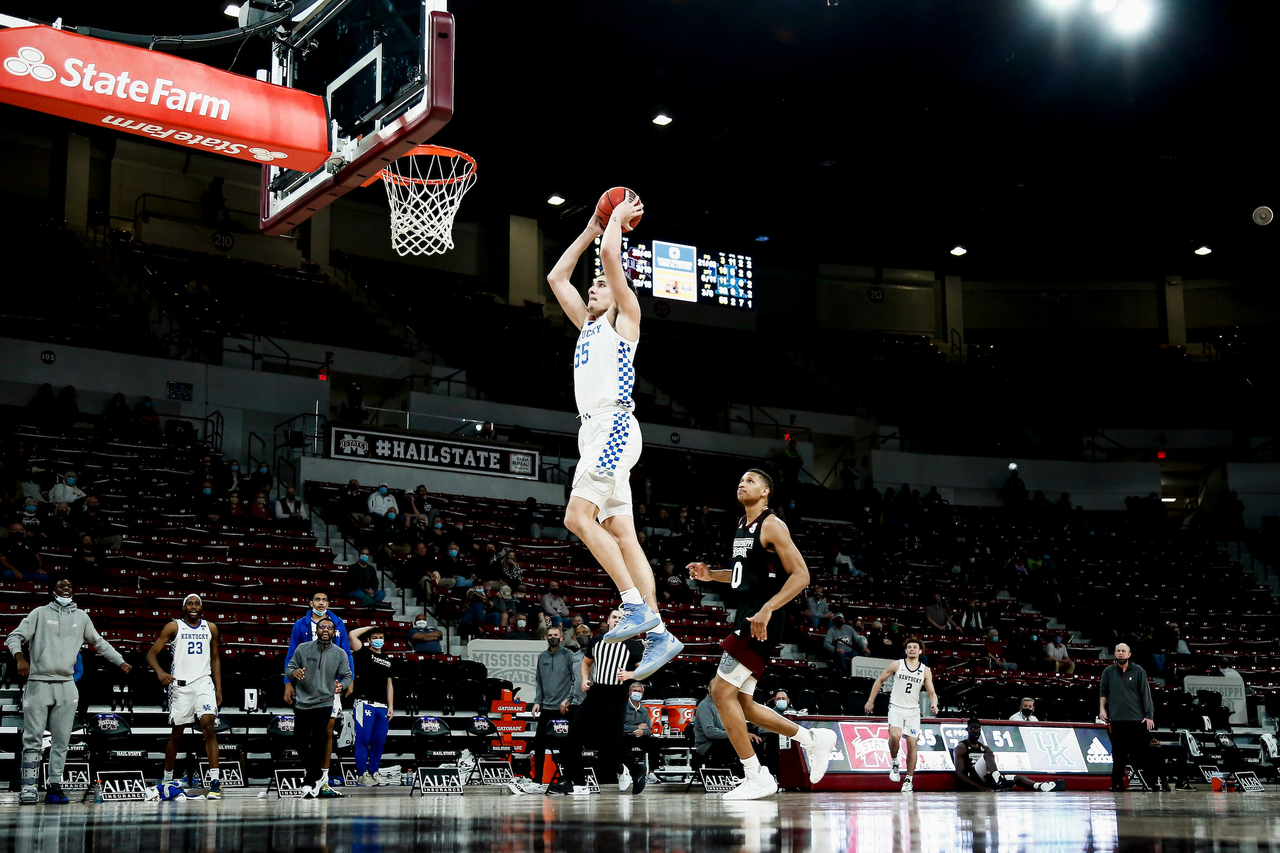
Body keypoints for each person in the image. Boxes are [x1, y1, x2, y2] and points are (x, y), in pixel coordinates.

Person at [545, 198, 681, 678]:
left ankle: (634, 604)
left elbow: (608, 258)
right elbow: (557, 278)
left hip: (614, 427)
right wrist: (589, 228)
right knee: (622, 532)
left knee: (576, 517)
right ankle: (660, 634)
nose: (594, 286)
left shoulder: (626, 319)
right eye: (594, 285)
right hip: (595, 432)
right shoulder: (586, 326)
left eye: (602, 283)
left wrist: (616, 222)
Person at [686, 469, 839, 800]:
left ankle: (756, 775)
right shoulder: (742, 524)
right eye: (740, 480)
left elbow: (801, 575)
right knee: (744, 704)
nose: (742, 484)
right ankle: (813, 740)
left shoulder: (772, 524)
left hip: (762, 616)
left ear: (766, 491)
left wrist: (768, 609)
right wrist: (712, 575)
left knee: (720, 692)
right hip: (749, 611)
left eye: (751, 481)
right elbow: (743, 575)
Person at [7, 578, 132, 804]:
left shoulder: (81, 617)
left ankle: (54, 787)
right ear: (52, 591)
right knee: (33, 738)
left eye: (69, 586)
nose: (66, 589)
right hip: (38, 682)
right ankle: (28, 787)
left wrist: (120, 661)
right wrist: (20, 657)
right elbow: (14, 636)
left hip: (66, 683)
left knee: (62, 740)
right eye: (61, 586)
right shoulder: (39, 613)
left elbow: (100, 643)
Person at [534, 610, 647, 796]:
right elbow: (586, 663)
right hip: (596, 692)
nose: (617, 620)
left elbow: (645, 670)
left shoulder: (632, 645)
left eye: (621, 617)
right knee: (574, 733)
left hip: (617, 694)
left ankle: (636, 769)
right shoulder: (597, 640)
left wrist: (629, 674)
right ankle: (572, 780)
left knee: (610, 741)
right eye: (614, 617)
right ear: (608, 620)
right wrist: (585, 678)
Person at [145, 595, 224, 800]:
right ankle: (167, 779)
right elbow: (151, 655)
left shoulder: (211, 628)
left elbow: (215, 658)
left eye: (197, 603)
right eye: (190, 603)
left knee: (208, 725)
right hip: (181, 686)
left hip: (204, 682)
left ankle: (215, 782)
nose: (194, 606)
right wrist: (160, 672)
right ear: (184, 607)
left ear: (201, 607)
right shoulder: (174, 627)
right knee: (177, 734)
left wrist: (218, 688)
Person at [283, 592, 354, 794]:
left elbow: (347, 669)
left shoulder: (339, 644)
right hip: (304, 697)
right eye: (317, 599)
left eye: (324, 600)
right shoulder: (302, 637)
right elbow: (290, 662)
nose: (325, 629)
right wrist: (289, 679)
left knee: (323, 735)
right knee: (300, 740)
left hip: (326, 697)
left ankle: (319, 777)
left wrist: (346, 684)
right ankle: (316, 774)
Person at [864, 637, 939, 793]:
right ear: (905, 651)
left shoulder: (925, 670)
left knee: (912, 744)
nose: (912, 649)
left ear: (920, 651)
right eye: (909, 647)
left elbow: (932, 692)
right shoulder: (897, 665)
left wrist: (934, 703)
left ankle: (909, 779)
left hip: (913, 711)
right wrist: (871, 701)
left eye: (915, 647)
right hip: (896, 707)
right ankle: (894, 762)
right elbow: (879, 680)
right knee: (895, 736)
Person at [955, 717, 1064, 792]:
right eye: (973, 728)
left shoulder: (984, 747)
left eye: (978, 728)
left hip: (987, 779)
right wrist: (979, 787)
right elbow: (960, 773)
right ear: (967, 730)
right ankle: (998, 779)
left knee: (1019, 778)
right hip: (973, 778)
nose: (976, 731)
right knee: (988, 754)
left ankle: (1040, 786)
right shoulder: (961, 747)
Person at [1100, 642, 1155, 792]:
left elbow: (1146, 694)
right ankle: (1117, 784)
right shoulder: (1108, 671)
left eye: (1123, 651)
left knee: (1145, 753)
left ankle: (1151, 783)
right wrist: (1102, 709)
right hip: (1118, 720)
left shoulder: (1138, 671)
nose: (1120, 653)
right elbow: (1103, 692)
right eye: (1118, 650)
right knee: (1118, 755)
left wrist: (1149, 715)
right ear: (1115, 653)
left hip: (1137, 720)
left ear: (1129, 654)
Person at [526, 627, 575, 788]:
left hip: (563, 708)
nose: (552, 637)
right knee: (539, 744)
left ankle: (567, 779)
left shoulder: (569, 655)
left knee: (565, 745)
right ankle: (537, 780)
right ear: (546, 638)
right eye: (550, 635)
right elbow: (539, 681)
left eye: (555, 635)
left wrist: (568, 700)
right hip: (546, 707)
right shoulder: (542, 657)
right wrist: (537, 701)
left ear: (561, 638)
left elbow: (575, 680)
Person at [348, 626, 396, 786]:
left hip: (382, 706)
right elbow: (352, 635)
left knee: (379, 741)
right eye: (374, 637)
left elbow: (389, 685)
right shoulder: (363, 653)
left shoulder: (388, 660)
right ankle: (362, 774)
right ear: (368, 640)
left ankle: (374, 772)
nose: (378, 640)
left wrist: (391, 706)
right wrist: (371, 627)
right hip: (364, 703)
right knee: (363, 739)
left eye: (380, 637)